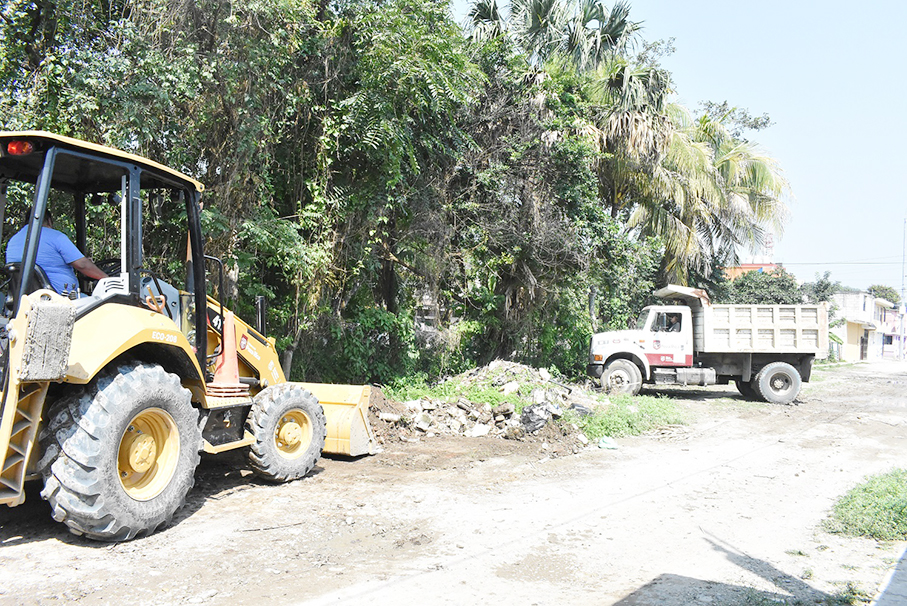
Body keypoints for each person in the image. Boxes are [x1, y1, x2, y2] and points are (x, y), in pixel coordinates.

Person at [5, 208, 108, 295]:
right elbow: (82, 265)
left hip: (25, 300)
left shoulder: (13, 240)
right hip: (60, 299)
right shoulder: (56, 237)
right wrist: (106, 278)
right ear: (49, 221)